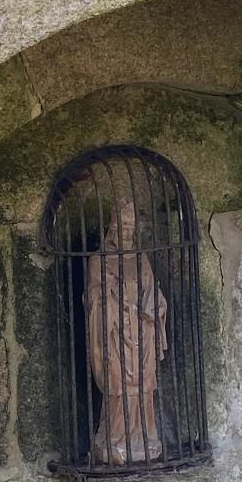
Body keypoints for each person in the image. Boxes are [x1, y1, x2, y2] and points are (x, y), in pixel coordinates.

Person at [86, 199, 167, 465]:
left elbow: (154, 291)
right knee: (118, 386)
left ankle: (144, 435)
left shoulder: (141, 258)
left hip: (142, 330)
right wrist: (108, 302)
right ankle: (115, 438)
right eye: (122, 227)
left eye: (131, 228)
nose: (127, 233)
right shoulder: (98, 260)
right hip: (114, 333)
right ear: (112, 227)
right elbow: (93, 298)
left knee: (144, 385)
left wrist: (151, 304)